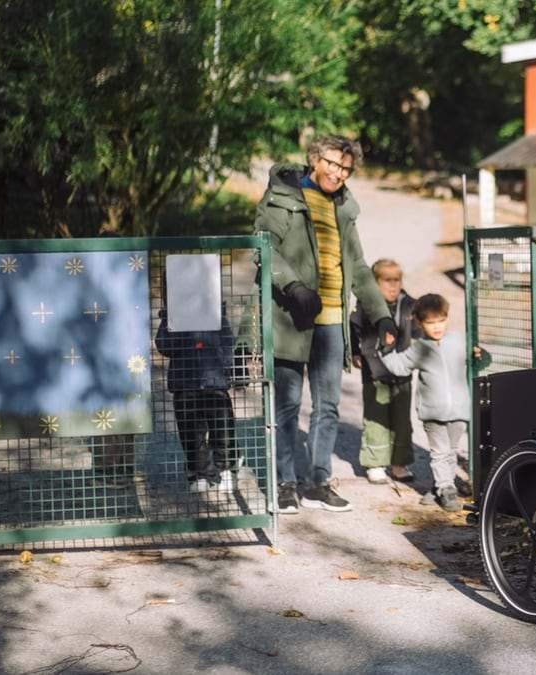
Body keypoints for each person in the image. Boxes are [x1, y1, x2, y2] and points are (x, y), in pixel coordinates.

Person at [254, 135, 395, 514]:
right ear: (315, 160)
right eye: (333, 164)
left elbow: (359, 266)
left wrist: (381, 314)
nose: (338, 173)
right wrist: (294, 287)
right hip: (291, 317)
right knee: (286, 406)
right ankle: (284, 483)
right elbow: (264, 248)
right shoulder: (283, 196)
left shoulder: (344, 207)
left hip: (332, 320)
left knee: (327, 406)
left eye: (346, 168)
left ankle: (317, 482)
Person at [380, 294, 489, 512]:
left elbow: (480, 362)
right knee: (440, 452)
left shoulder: (459, 341)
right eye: (430, 323)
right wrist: (386, 348)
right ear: (420, 323)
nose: (437, 327)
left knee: (451, 451)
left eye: (440, 321)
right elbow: (399, 366)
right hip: (433, 411)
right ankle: (447, 489)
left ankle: (439, 486)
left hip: (459, 409)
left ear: (447, 318)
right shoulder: (419, 348)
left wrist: (481, 355)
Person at [350, 259, 419, 485]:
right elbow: (353, 327)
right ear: (375, 283)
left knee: (402, 419)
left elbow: (421, 328)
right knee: (376, 418)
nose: (393, 286)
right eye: (387, 281)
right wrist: (355, 352)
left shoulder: (409, 305)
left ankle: (400, 464)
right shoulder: (367, 305)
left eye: (396, 280)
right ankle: (375, 464)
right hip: (374, 371)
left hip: (402, 372)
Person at [155, 302, 237, 493]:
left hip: (214, 382)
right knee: (191, 433)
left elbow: (228, 342)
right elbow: (164, 346)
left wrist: (225, 368)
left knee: (223, 430)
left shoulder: (215, 310)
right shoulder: (174, 313)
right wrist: (169, 318)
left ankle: (226, 469)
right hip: (185, 383)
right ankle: (199, 474)